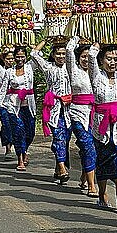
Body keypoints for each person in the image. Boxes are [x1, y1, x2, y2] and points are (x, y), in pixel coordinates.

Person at [88, 42, 117, 216]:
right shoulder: (96, 76)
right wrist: (100, 43)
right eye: (109, 58)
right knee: (103, 161)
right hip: (101, 128)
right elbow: (91, 57)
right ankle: (102, 194)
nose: (112, 62)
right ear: (101, 60)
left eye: (116, 59)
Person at [32, 39, 72, 184]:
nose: (61, 56)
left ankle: (58, 167)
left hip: (69, 109)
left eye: (64, 53)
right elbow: (34, 54)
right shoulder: (48, 67)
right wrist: (44, 40)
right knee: (59, 136)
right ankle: (62, 167)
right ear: (53, 55)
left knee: (66, 139)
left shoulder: (72, 67)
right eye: (58, 54)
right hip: (54, 107)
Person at [66, 36, 98, 197]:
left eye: (89, 56)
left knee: (93, 147)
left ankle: (86, 175)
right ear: (78, 58)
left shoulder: (98, 72)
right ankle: (92, 186)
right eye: (83, 56)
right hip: (78, 113)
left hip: (97, 115)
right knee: (87, 145)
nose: (86, 59)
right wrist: (77, 35)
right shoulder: (74, 70)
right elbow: (68, 51)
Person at [0, 46, 36, 171]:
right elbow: (3, 89)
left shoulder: (30, 67)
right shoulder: (9, 72)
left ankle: (25, 150)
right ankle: (20, 158)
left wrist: (32, 47)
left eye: (22, 56)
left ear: (26, 57)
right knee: (18, 131)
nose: (19, 59)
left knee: (30, 133)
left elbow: (37, 56)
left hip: (29, 106)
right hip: (14, 107)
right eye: (17, 57)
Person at [0, 44, 15, 157]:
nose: (11, 61)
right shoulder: (0, 70)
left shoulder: (19, 71)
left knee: (15, 124)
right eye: (8, 59)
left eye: (12, 58)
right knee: (6, 124)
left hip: (16, 102)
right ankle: (8, 147)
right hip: (3, 102)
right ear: (3, 59)